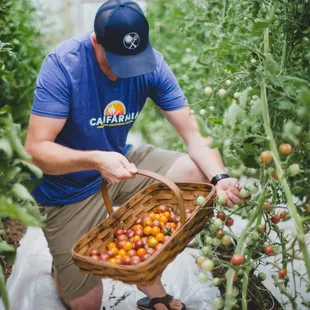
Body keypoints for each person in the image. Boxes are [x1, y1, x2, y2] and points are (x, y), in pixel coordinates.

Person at [25, 1, 242, 309]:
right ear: (95, 41)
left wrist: (220, 178)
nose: (125, 71)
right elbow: (36, 151)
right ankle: (62, 265)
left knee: (197, 177)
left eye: (134, 60)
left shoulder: (151, 63)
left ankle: (148, 274)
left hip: (121, 164)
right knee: (87, 304)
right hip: (66, 191)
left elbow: (194, 131)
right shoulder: (64, 66)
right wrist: (96, 160)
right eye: (117, 61)